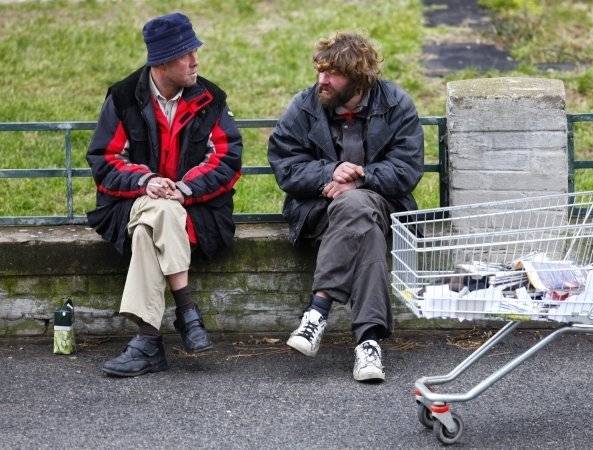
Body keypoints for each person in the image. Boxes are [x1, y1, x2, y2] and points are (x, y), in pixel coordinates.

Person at [86, 12, 242, 377]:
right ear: (162, 61)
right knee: (156, 210)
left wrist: (182, 189)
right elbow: (105, 160)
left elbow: (227, 159)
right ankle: (186, 311)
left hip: (199, 211)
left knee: (151, 226)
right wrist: (146, 182)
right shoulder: (124, 97)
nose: (195, 60)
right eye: (186, 53)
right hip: (130, 203)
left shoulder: (210, 97)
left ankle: (148, 341)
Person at [268, 32, 424, 382]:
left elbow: (407, 169)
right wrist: (328, 172)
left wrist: (362, 176)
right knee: (363, 227)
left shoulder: (396, 104)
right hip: (319, 210)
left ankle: (317, 311)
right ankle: (368, 344)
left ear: (357, 78)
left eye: (332, 74)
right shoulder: (305, 106)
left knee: (358, 205)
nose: (321, 80)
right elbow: (285, 164)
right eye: (320, 71)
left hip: (384, 205)